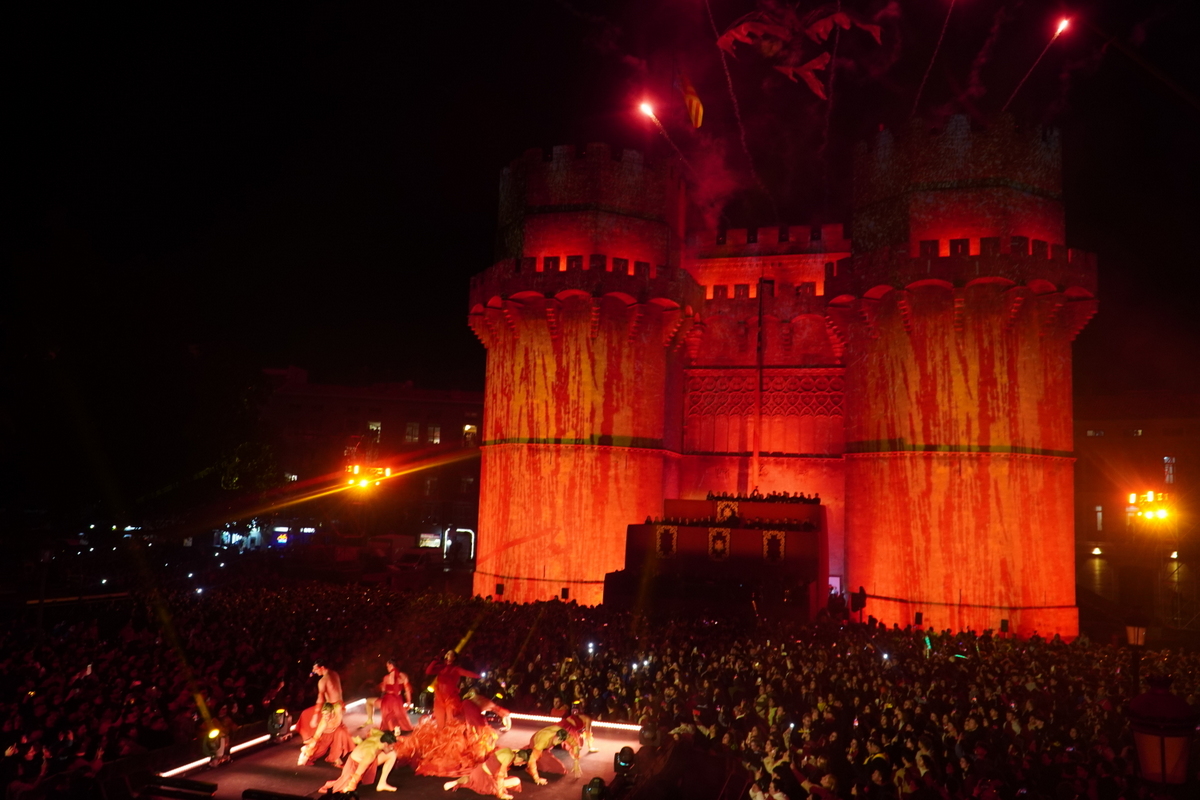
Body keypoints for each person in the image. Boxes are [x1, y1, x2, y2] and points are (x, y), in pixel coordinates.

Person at [320, 729, 400, 794]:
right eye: (391, 746)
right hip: (355, 764)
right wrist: (351, 786)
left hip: (366, 759)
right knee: (343, 788)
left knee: (392, 754)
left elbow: (372, 730)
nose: (392, 748)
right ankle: (334, 785)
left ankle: (382, 784)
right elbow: (358, 773)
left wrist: (362, 742)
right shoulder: (370, 753)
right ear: (386, 744)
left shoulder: (381, 736)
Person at [298, 661, 344, 765]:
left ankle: (309, 754)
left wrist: (315, 716)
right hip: (336, 708)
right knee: (331, 733)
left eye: (315, 669)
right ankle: (309, 752)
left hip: (332, 709)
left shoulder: (323, 680)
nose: (314, 671)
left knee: (331, 733)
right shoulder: (334, 674)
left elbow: (320, 699)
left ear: (322, 667)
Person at [443, 747, 530, 799]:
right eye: (521, 763)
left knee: (471, 778)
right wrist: (500, 794)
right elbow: (500, 776)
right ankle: (491, 786)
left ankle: (456, 782)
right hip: (485, 777)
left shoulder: (508, 750)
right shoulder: (509, 757)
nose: (519, 765)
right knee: (516, 781)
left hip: (478, 770)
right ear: (520, 759)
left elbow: (501, 771)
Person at [425, 650, 480, 727]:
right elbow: (428, 671)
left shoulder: (456, 669)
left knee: (451, 720)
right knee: (440, 721)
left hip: (450, 698)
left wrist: (479, 676)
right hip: (439, 697)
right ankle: (442, 736)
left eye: (450, 654)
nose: (448, 655)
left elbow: (468, 673)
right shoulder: (441, 667)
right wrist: (435, 661)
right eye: (447, 653)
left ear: (454, 658)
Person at [379, 659, 414, 733]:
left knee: (389, 716)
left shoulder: (386, 677)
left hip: (388, 699)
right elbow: (407, 690)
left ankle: (392, 731)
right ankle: (396, 730)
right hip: (398, 699)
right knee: (398, 716)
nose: (387, 668)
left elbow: (383, 689)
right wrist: (409, 701)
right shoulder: (403, 676)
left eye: (387, 666)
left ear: (391, 665)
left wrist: (381, 686)